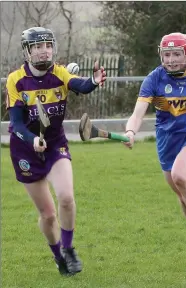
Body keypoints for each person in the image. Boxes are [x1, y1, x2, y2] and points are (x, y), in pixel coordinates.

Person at [6, 27, 106, 276]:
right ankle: (58, 255)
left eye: (47, 45)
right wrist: (31, 140)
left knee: (66, 198)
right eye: (38, 47)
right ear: (28, 51)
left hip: (54, 145)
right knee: (48, 216)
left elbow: (80, 86)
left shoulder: (59, 73)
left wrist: (94, 81)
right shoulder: (16, 79)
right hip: (25, 151)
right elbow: (16, 124)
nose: (44, 51)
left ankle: (69, 248)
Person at [123, 32, 186, 260]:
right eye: (166, 55)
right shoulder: (154, 79)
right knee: (181, 194)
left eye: (176, 54)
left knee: (181, 176)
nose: (170, 60)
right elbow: (138, 113)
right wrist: (131, 131)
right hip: (168, 141)